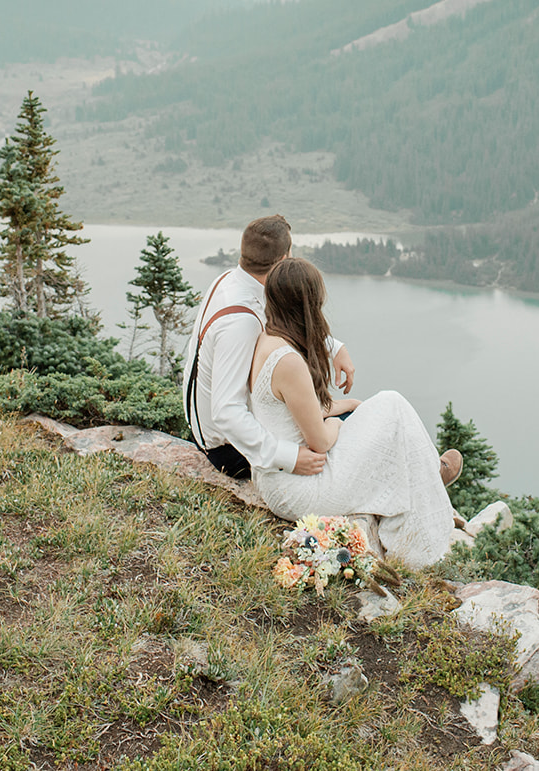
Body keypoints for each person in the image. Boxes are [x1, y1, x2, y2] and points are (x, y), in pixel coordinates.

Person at [247, 257, 458, 567]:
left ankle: (428, 471)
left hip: (277, 474)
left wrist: (349, 406)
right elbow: (320, 441)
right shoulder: (289, 362)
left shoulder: (267, 338)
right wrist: (339, 423)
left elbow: (295, 411)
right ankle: (428, 486)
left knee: (382, 408)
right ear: (309, 302)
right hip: (300, 489)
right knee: (393, 405)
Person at [182, 215, 355, 480]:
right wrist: (289, 457)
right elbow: (226, 412)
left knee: (343, 415)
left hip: (206, 431)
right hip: (228, 451)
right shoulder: (240, 323)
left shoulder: (230, 280)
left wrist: (334, 347)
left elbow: (282, 316)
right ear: (284, 260)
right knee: (355, 423)